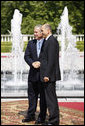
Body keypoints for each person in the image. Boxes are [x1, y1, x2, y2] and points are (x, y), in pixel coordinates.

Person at [22, 25, 47, 124]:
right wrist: (32, 63)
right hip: (32, 74)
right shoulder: (30, 43)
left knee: (43, 98)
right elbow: (26, 56)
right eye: (34, 32)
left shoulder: (47, 43)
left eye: (36, 32)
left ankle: (42, 117)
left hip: (43, 75)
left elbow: (50, 57)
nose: (35, 34)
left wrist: (40, 63)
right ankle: (31, 115)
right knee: (32, 96)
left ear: (41, 32)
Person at [40, 24, 61, 125]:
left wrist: (47, 75)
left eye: (42, 30)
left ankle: (54, 121)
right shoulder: (48, 40)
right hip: (48, 74)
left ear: (48, 31)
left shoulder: (52, 41)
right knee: (49, 98)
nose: (41, 32)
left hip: (50, 76)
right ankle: (53, 119)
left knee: (51, 99)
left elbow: (51, 60)